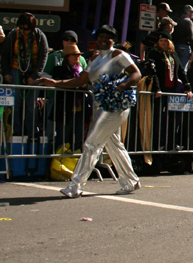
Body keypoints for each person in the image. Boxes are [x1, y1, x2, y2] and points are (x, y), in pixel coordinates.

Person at [39, 26, 141, 197]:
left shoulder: (118, 55)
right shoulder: (95, 60)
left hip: (115, 106)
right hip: (100, 106)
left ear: (113, 40)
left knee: (91, 144)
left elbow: (136, 74)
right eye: (100, 36)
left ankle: (75, 185)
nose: (102, 40)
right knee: (113, 144)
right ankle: (131, 181)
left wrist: (122, 86)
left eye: (107, 37)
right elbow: (79, 81)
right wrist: (54, 83)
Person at [173, 5, 193, 69]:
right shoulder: (189, 22)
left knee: (176, 66)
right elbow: (191, 37)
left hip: (176, 46)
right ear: (188, 12)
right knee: (183, 68)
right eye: (192, 12)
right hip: (185, 47)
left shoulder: (178, 20)